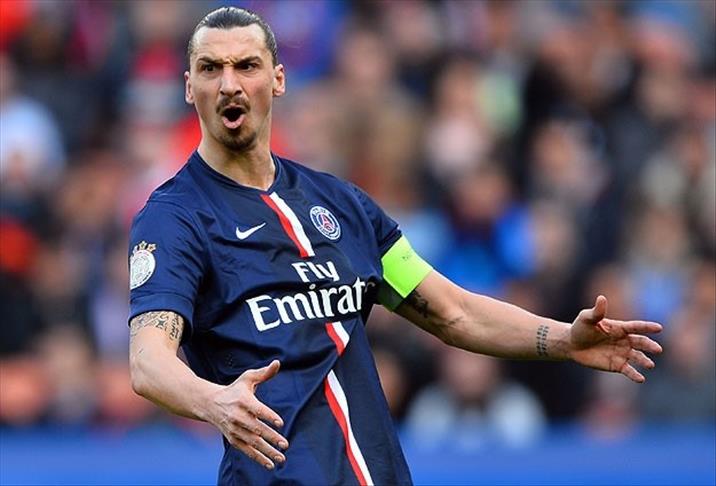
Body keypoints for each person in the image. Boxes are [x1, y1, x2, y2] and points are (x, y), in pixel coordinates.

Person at [127, 7, 663, 486]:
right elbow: (149, 360)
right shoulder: (174, 217)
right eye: (210, 69)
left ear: (278, 78)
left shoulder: (343, 206)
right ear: (189, 87)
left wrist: (563, 339)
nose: (229, 84)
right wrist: (214, 402)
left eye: (246, 66)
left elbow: (452, 311)